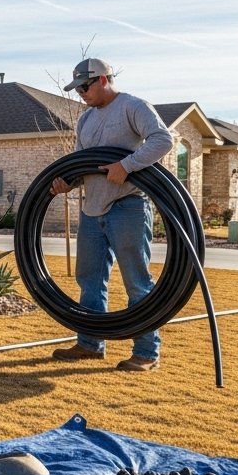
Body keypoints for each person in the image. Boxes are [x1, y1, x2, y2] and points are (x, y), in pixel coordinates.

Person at [49, 58, 174, 372]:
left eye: (84, 85)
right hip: (91, 209)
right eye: (76, 88)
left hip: (127, 206)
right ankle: (90, 344)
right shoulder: (86, 120)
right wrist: (68, 182)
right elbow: (82, 162)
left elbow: (163, 140)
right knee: (89, 281)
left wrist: (127, 166)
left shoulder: (133, 106)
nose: (80, 92)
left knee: (137, 282)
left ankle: (147, 353)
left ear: (103, 79)